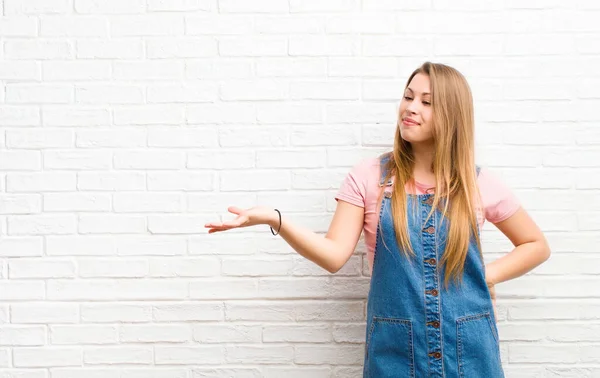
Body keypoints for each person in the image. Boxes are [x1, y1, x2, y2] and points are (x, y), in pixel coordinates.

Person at [205, 62, 551, 378]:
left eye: (427, 102)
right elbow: (333, 255)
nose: (411, 108)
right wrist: (274, 219)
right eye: (408, 97)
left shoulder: (477, 183)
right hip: (396, 351)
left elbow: (536, 245)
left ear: (452, 114)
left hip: (470, 350)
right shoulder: (369, 178)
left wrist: (481, 276)